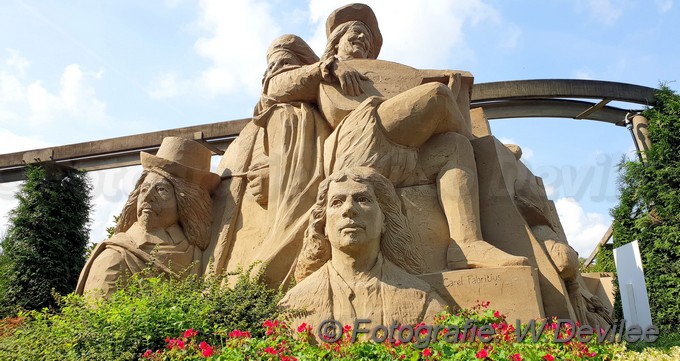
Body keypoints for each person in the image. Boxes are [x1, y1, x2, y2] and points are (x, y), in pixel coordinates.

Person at [263, 3, 527, 270]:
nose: (362, 39)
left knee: (454, 147)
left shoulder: (379, 78)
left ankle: (467, 245)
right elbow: (274, 87)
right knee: (436, 95)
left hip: (398, 155)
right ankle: (483, 150)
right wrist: (327, 67)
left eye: (367, 38)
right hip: (358, 140)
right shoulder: (324, 71)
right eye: (355, 32)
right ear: (335, 41)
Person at [210, 35, 332, 287]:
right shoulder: (257, 125)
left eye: (284, 63)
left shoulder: (303, 113)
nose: (275, 71)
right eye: (270, 67)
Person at [280, 167, 446, 330]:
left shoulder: (423, 302)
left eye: (362, 199)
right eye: (337, 202)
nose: (349, 209)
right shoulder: (294, 305)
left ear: (384, 220)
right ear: (323, 225)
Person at [77, 137, 219, 298]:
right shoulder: (116, 257)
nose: (148, 197)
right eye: (144, 189)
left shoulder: (197, 255)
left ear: (185, 202)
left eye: (161, 189)